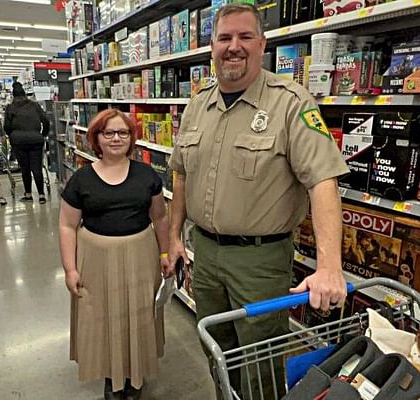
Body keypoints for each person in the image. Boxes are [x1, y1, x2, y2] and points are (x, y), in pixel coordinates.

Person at [167, 4, 351, 399]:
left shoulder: (291, 103)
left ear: (262, 44)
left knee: (259, 363)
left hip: (260, 262)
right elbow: (181, 174)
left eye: (245, 37)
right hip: (206, 256)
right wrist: (173, 238)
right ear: (211, 47)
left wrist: (329, 267)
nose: (234, 47)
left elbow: (323, 182)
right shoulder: (198, 105)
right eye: (224, 38)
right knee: (217, 351)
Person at [58, 109, 172, 400]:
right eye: (108, 133)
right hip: (95, 258)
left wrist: (164, 254)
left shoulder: (147, 175)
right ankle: (112, 379)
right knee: (103, 317)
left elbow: (159, 217)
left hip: (140, 255)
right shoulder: (82, 179)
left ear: (132, 137)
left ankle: (135, 378)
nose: (116, 138)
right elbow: (67, 225)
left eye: (123, 132)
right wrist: (70, 269)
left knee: (139, 314)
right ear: (96, 138)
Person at [4, 82, 51, 203]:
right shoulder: (34, 105)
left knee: (25, 168)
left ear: (13, 95)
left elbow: (6, 127)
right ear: (25, 93)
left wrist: (13, 135)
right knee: (37, 168)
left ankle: (28, 194)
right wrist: (43, 134)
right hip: (36, 140)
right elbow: (45, 120)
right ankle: (41, 195)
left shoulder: (10, 107)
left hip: (19, 142)